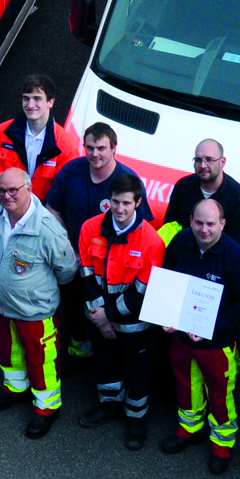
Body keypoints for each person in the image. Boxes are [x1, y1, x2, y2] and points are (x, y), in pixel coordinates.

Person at [0, 168, 78, 439]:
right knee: (8, 350)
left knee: (41, 360)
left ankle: (47, 407)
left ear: (29, 189)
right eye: (1, 190)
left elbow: (67, 269)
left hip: (35, 310)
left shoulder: (47, 229)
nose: (6, 196)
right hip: (2, 304)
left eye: (14, 190)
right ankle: (15, 388)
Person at [160, 199, 240, 474]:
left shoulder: (236, 256)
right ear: (190, 220)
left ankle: (222, 445)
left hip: (216, 343)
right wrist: (167, 314)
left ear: (222, 224)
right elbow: (169, 281)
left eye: (211, 224)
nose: (204, 229)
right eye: (199, 222)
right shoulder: (180, 242)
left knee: (220, 394)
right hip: (182, 338)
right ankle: (190, 429)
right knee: (185, 386)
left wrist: (212, 327)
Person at [46, 122, 151, 359]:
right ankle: (79, 350)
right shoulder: (72, 171)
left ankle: (106, 355)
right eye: (90, 147)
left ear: (114, 148)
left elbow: (142, 229)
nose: (95, 154)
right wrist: (68, 248)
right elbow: (53, 209)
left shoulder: (128, 180)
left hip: (113, 269)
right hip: (74, 259)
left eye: (101, 148)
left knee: (108, 311)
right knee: (73, 306)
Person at [77, 172, 165, 450]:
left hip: (133, 325)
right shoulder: (90, 228)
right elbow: (87, 274)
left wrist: (109, 316)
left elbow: (141, 293)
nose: (120, 209)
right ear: (109, 201)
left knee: (138, 372)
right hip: (99, 317)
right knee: (105, 365)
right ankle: (109, 405)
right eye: (115, 202)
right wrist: (99, 317)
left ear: (138, 202)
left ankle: (136, 419)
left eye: (127, 203)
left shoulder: (152, 242)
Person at [0, 73, 79, 202]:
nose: (30, 105)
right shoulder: (3, 131)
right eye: (26, 98)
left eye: (37, 99)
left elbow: (65, 190)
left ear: (50, 102)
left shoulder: (66, 145)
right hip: (6, 204)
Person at [160, 138, 240, 246]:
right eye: (198, 160)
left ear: (222, 162)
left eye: (209, 160)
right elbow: (169, 228)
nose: (203, 165)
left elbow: (235, 248)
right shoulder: (183, 186)